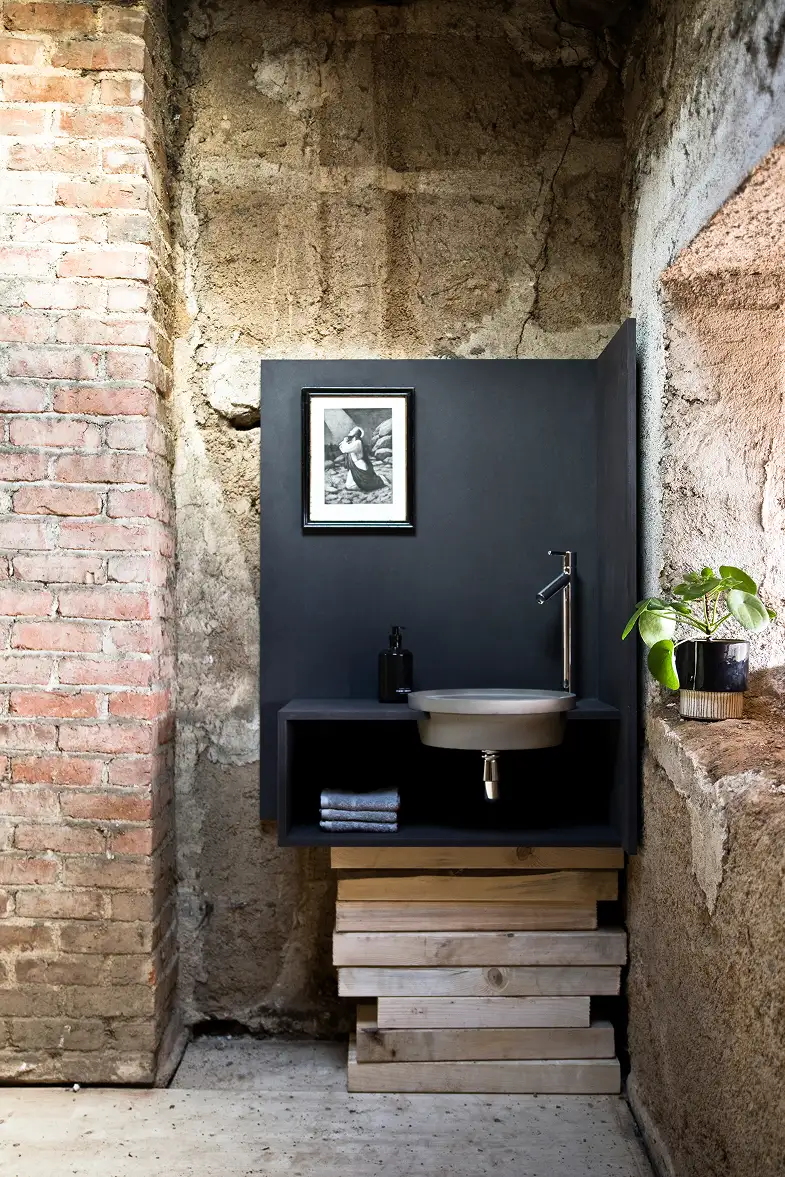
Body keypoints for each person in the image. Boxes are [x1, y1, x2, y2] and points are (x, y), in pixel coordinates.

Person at [339, 426, 388, 492]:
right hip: (355, 466)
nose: (350, 431)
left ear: (356, 433)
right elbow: (342, 447)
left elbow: (345, 449)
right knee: (349, 486)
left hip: (359, 465)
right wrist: (344, 442)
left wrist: (344, 441)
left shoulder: (358, 442)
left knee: (366, 485)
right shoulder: (353, 442)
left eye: (352, 431)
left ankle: (382, 479)